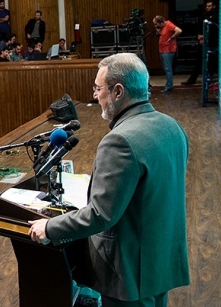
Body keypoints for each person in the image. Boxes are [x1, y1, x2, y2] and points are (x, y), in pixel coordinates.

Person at [29, 53, 189, 307]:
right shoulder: (172, 127)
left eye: (98, 88)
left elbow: (100, 215)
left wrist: (49, 227)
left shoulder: (120, 140)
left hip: (130, 273)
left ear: (117, 91)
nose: (95, 96)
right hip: (161, 261)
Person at [153, 15, 182, 93]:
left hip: (168, 50)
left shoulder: (168, 24)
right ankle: (168, 85)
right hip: (162, 50)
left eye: (156, 24)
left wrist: (172, 38)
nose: (155, 26)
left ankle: (169, 86)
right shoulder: (161, 28)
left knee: (168, 69)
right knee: (165, 68)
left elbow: (179, 31)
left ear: (161, 22)